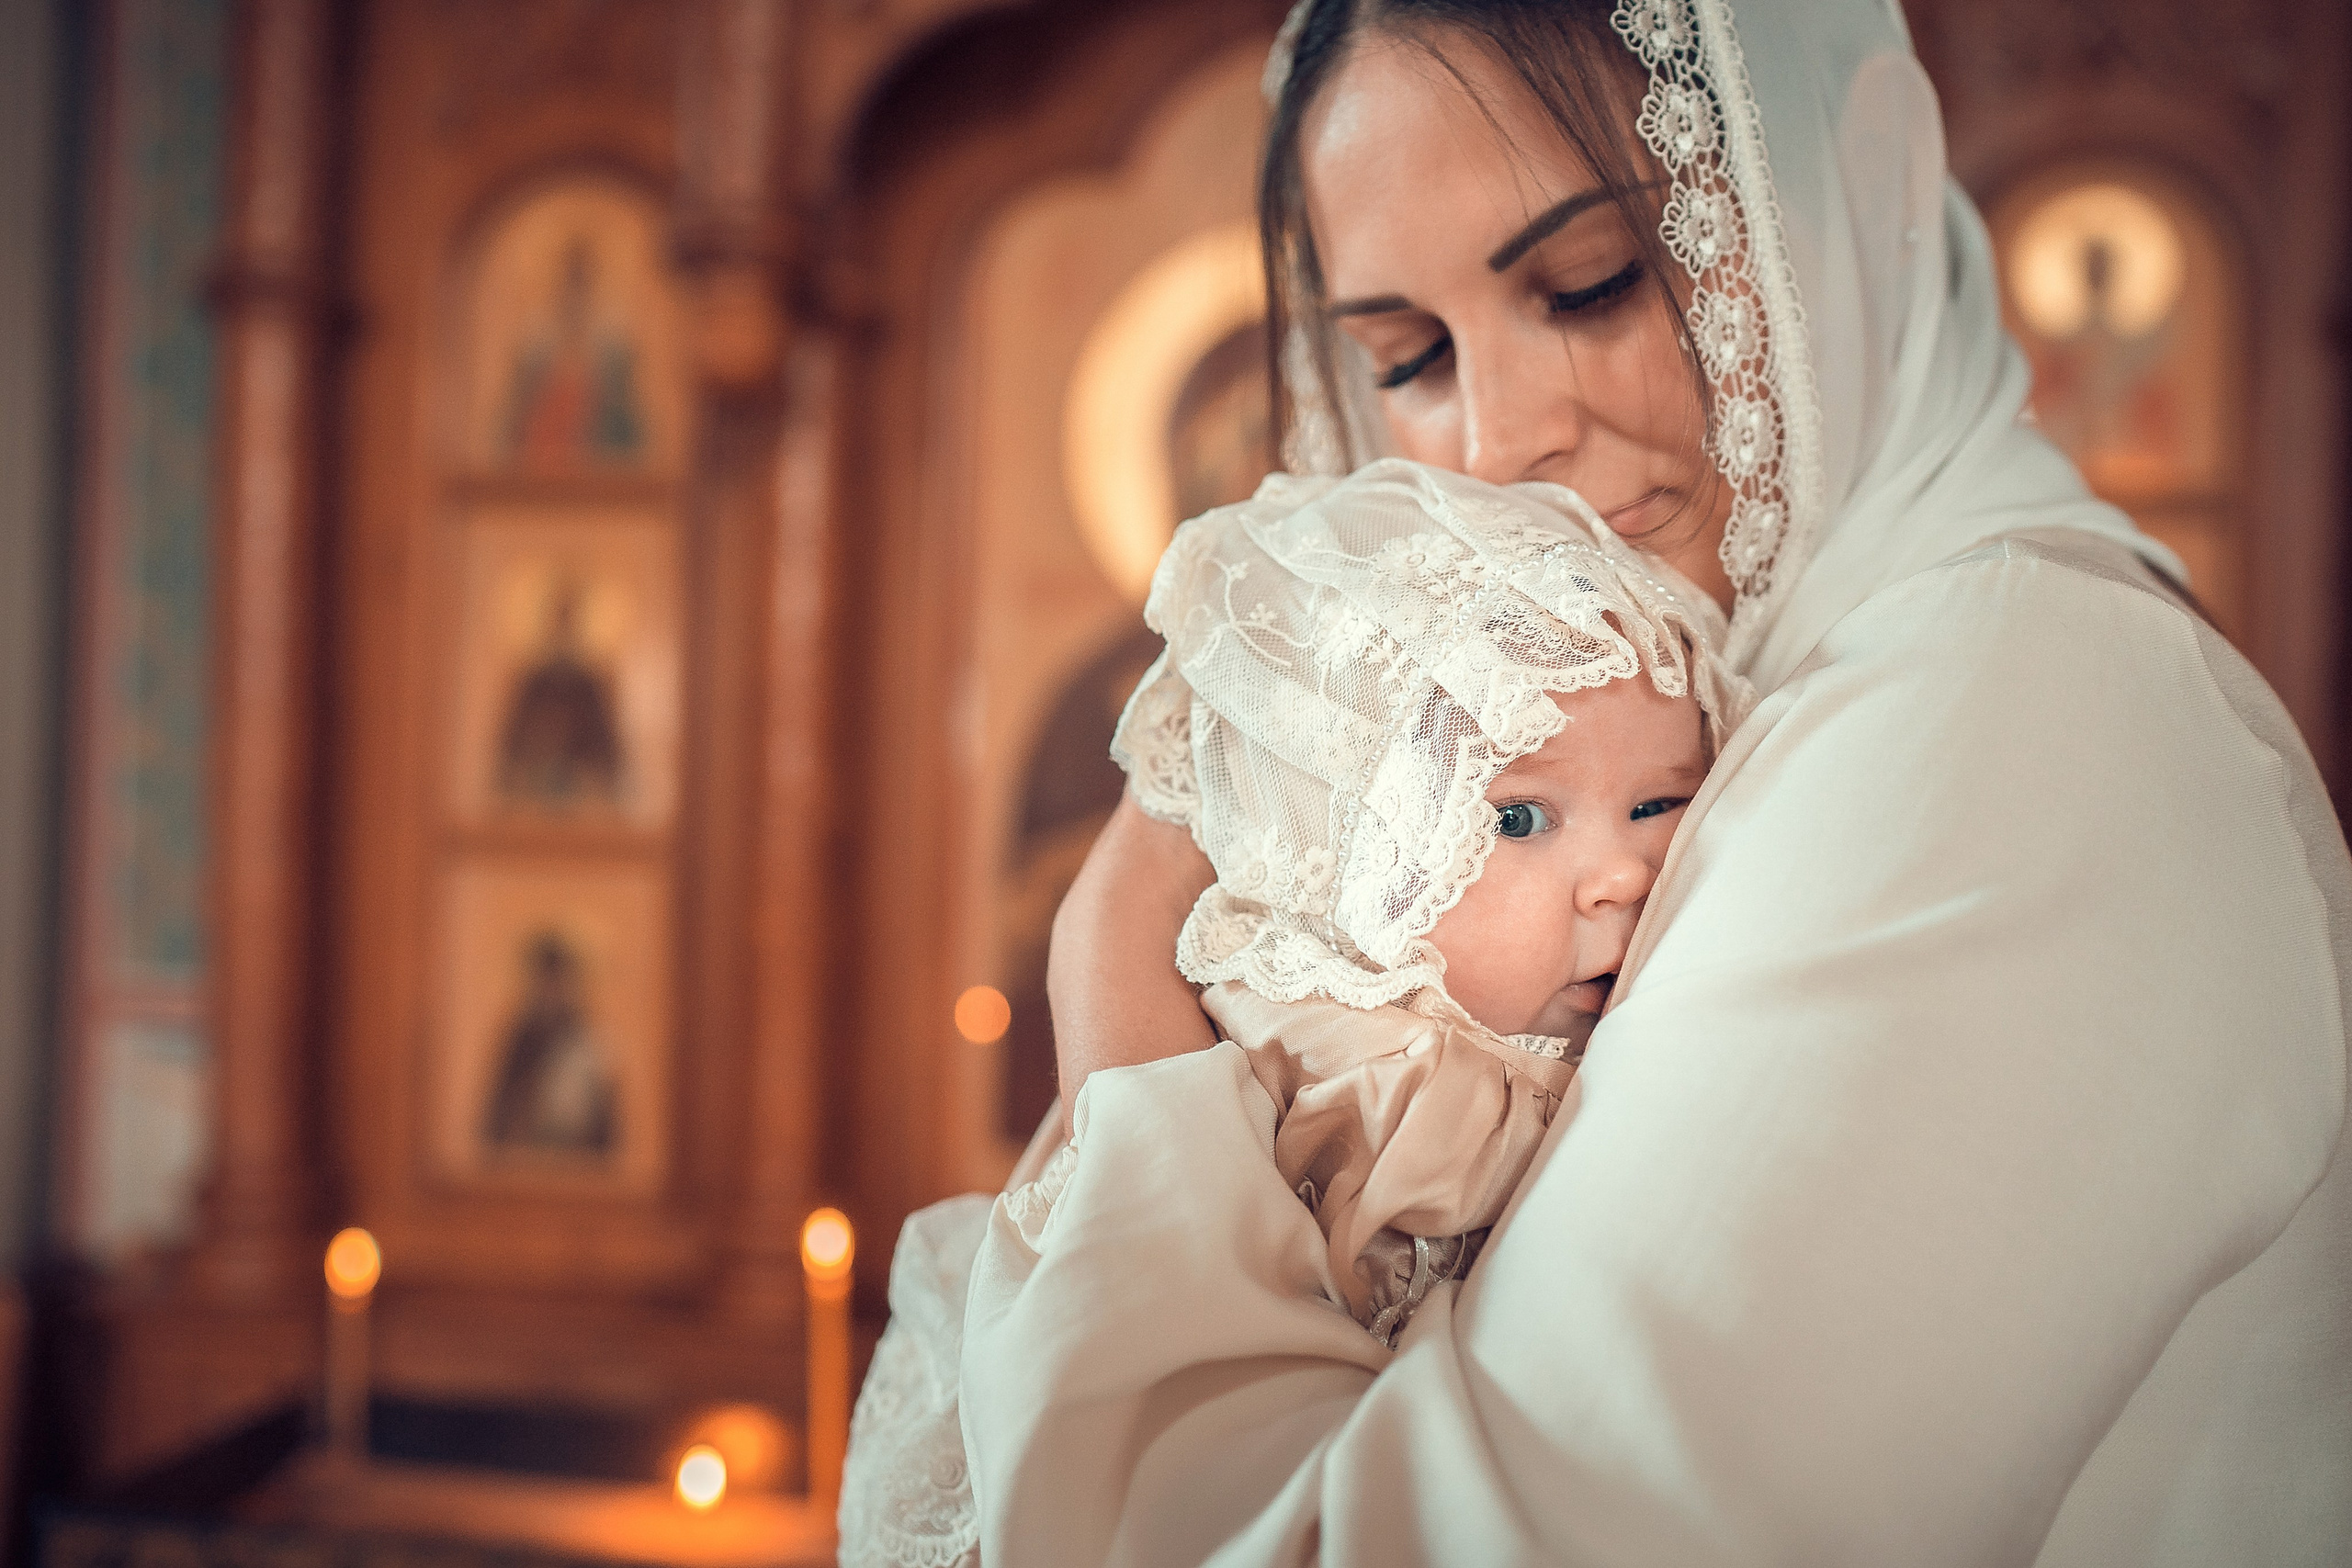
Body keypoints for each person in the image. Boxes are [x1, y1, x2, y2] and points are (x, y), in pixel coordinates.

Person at [960, 1, 2352, 1564]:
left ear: (1856, 185)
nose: (1494, 447)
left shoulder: (2023, 713)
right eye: (1409, 358)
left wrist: (1121, 984)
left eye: (1591, 283)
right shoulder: (1782, 687)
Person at [838, 458, 1749, 1563]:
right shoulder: (1333, 1051)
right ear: (1346, 854)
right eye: (1516, 821)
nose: (1620, 873)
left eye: (1658, 803)